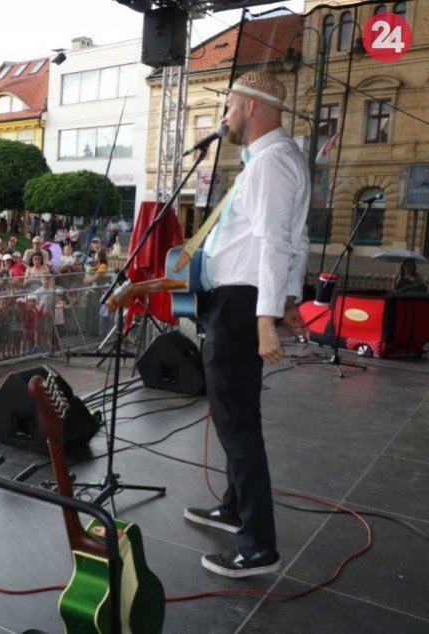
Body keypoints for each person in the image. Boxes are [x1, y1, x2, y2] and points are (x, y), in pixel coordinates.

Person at [180, 71, 310, 578]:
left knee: (238, 425)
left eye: (230, 105)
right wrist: (288, 299)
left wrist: (265, 320)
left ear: (253, 107)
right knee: (234, 414)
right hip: (240, 301)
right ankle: (235, 508)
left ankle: (258, 547)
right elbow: (291, 239)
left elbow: (275, 243)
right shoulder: (273, 160)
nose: (225, 117)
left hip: (240, 307)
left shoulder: (272, 164)